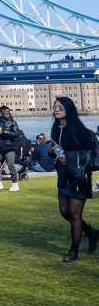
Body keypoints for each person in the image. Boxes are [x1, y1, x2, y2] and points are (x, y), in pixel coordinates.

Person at [50, 96, 99, 263]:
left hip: (79, 177)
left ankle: (74, 251)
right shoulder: (55, 128)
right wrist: (53, 152)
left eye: (60, 107)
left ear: (68, 109)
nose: (56, 109)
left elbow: (90, 153)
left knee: (75, 214)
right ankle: (92, 233)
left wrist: (69, 158)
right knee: (65, 212)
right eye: (55, 107)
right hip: (64, 176)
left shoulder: (79, 129)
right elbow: (56, 148)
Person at [0, 106, 21, 192]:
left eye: (8, 112)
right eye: (6, 113)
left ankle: (15, 184)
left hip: (10, 147)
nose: (8, 114)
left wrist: (4, 132)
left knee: (11, 166)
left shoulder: (13, 122)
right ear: (1, 113)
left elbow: (16, 134)